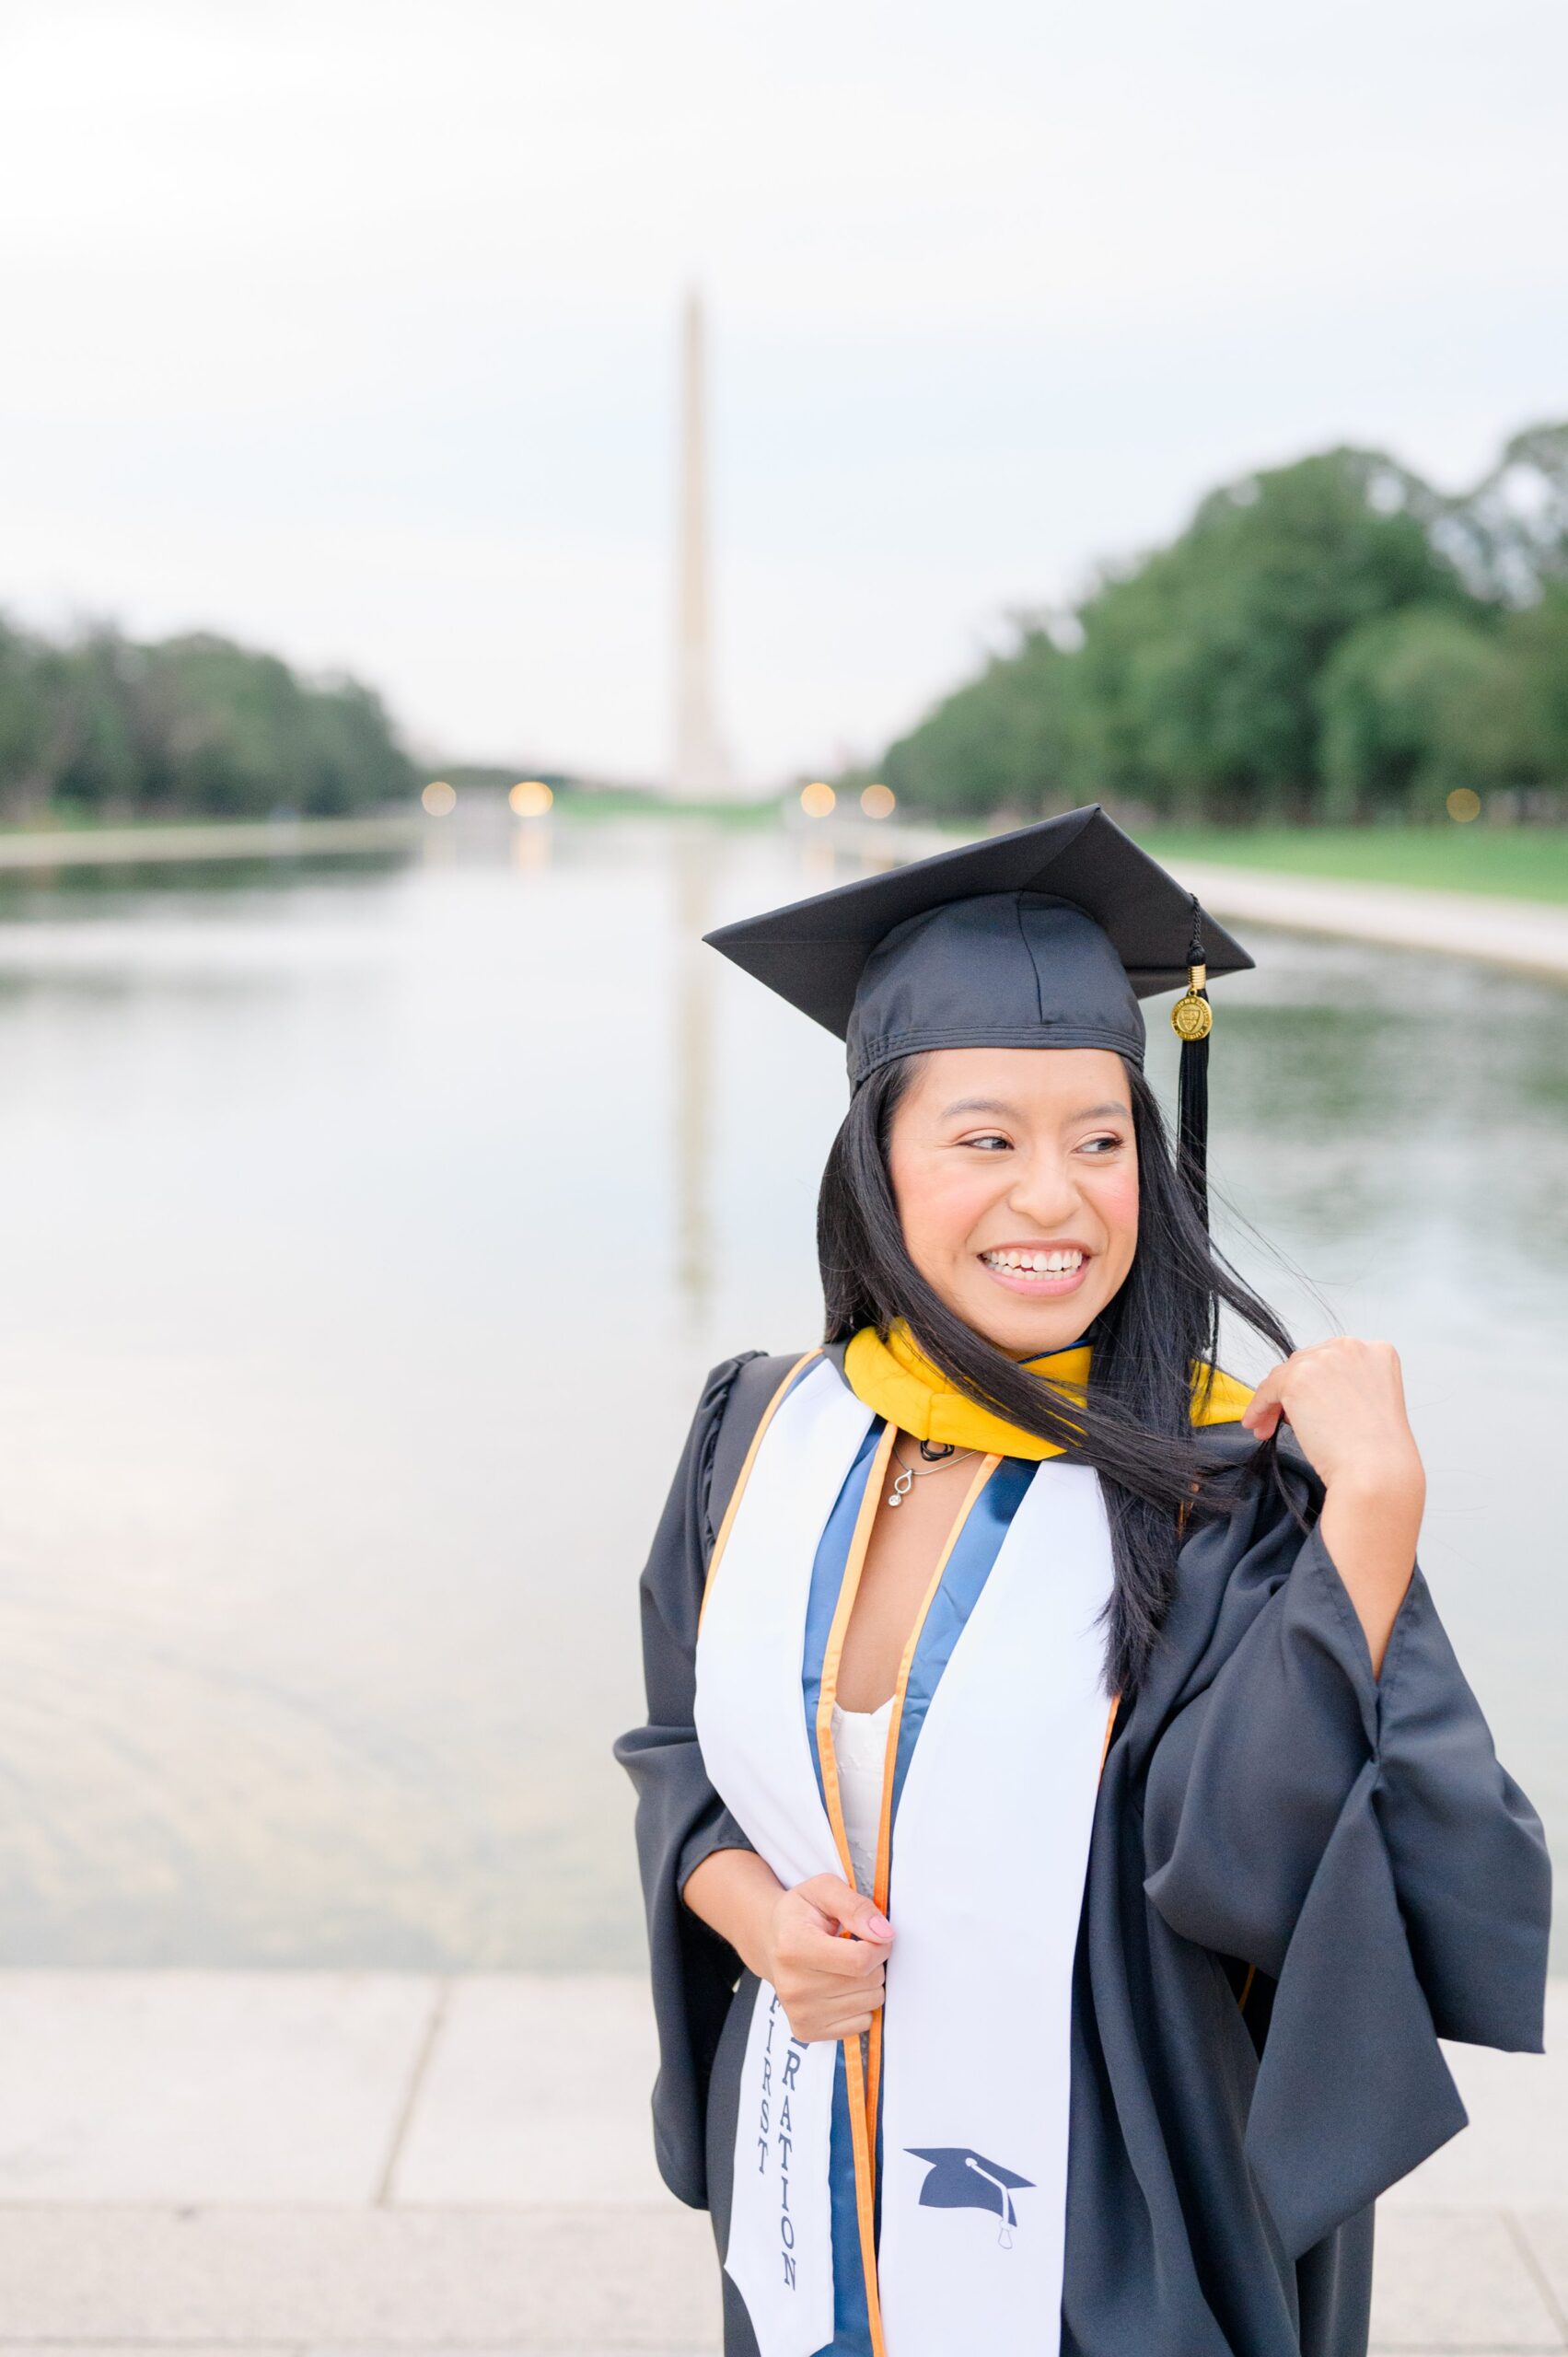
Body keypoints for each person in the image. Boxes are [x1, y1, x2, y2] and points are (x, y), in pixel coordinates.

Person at [613, 805, 1550, 2357]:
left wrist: (1373, 1514)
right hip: (804, 2184)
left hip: (1110, 2226)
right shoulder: (761, 1433)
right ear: (881, 1161)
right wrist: (761, 1919)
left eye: (1101, 1140)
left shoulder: (1221, 1494)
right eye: (985, 1138)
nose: (1055, 1198)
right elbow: (675, 1765)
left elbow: (1250, 1880)